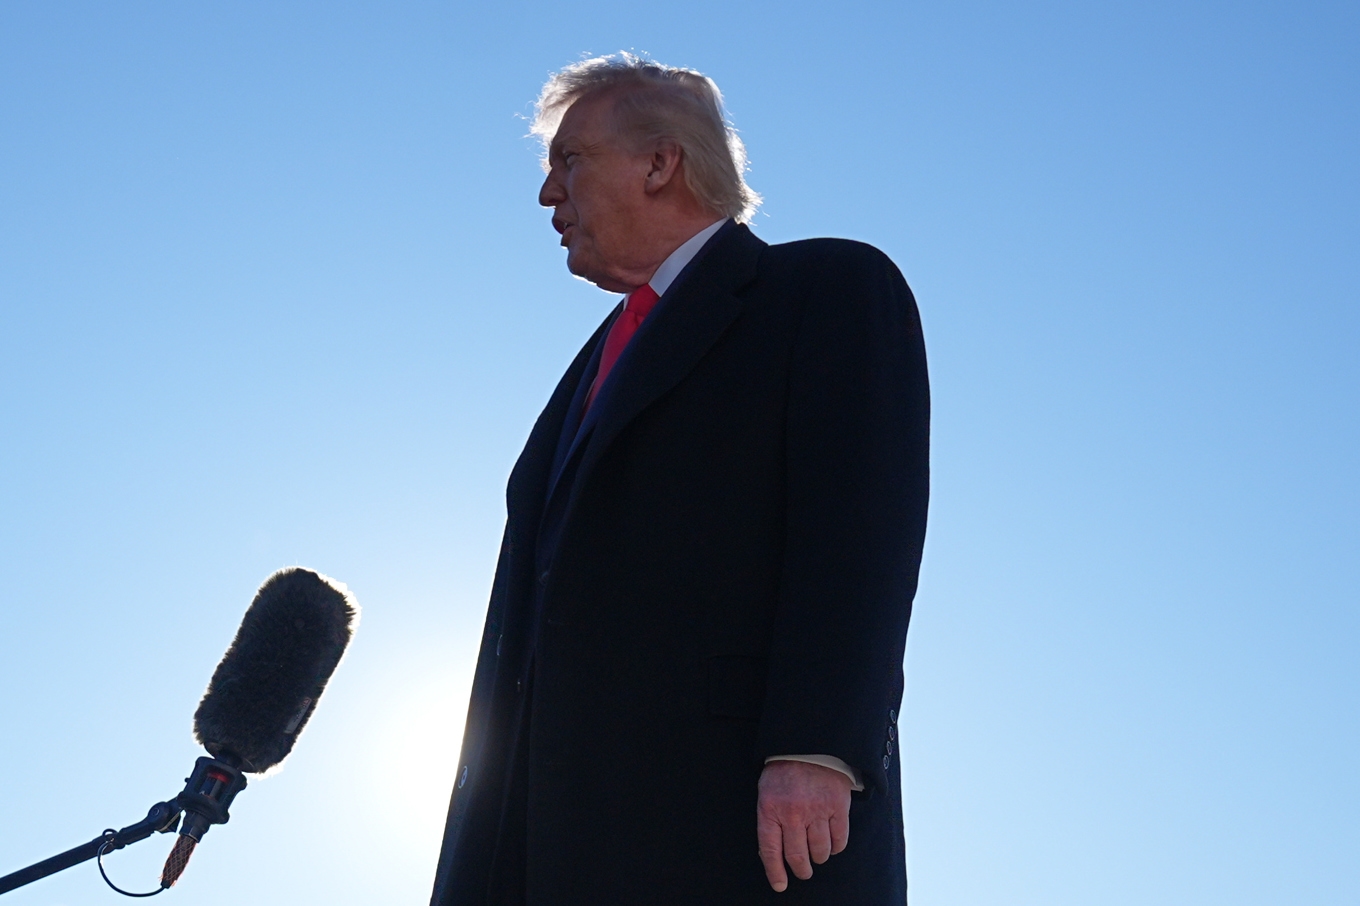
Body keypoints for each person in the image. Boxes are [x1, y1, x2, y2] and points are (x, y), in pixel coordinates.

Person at [430, 53, 929, 906]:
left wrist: (815, 746)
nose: (550, 194)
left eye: (570, 160)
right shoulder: (583, 374)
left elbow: (859, 530)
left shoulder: (825, 289)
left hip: (731, 827)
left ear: (660, 163)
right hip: (539, 847)